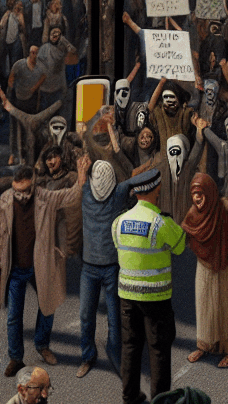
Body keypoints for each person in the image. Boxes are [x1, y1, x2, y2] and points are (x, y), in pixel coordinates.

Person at [1, 156, 89, 376]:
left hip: (40, 264)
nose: (19, 196)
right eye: (15, 190)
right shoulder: (5, 201)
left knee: (47, 306)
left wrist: (81, 176)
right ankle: (15, 357)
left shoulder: (45, 197)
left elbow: (70, 196)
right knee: (13, 315)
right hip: (15, 268)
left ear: (33, 184)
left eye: (23, 191)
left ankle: (42, 345)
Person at [113, 169, 187, 404]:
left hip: (126, 295)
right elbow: (180, 246)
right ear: (157, 190)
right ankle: (160, 401)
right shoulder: (160, 222)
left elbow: (119, 246)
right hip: (156, 298)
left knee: (131, 347)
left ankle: (130, 397)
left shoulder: (119, 221)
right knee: (158, 351)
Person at [77, 160, 133, 379]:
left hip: (110, 267)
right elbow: (134, 181)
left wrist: (82, 170)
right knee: (87, 315)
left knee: (113, 317)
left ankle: (114, 355)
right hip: (91, 268)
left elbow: (82, 179)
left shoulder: (91, 191)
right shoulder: (118, 193)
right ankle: (89, 356)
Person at [181, 174, 228, 368]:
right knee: (204, 305)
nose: (197, 198)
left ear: (209, 192)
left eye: (200, 193)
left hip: (225, 264)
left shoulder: (223, 208)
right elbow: (186, 234)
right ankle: (204, 345)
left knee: (225, 307)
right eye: (194, 194)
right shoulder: (193, 213)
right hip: (204, 264)